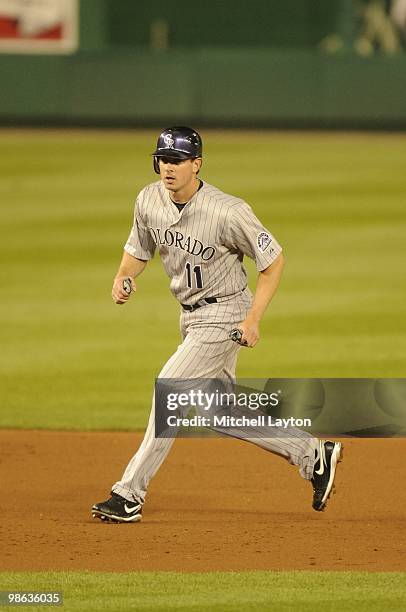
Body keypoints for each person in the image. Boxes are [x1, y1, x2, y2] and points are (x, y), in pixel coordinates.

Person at [92, 127, 343, 523]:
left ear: (197, 164)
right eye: (163, 159)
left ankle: (128, 494)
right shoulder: (147, 200)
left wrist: (253, 318)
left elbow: (272, 262)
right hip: (190, 317)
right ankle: (313, 456)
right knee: (219, 411)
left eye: (177, 160)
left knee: (170, 392)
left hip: (225, 313)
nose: (168, 167)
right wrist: (124, 277)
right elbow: (137, 251)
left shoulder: (228, 211)